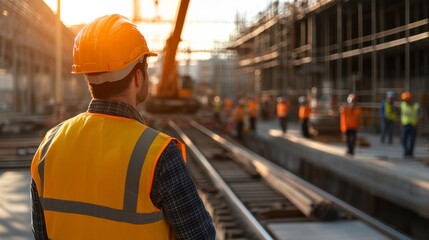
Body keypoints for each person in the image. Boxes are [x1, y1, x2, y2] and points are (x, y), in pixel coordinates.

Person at [30, 14, 215, 240]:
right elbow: (200, 237)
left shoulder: (49, 146)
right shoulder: (159, 155)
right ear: (139, 76)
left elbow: (41, 234)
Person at [400, 91, 423, 158]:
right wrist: (400, 122)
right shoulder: (403, 105)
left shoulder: (416, 106)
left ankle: (410, 152)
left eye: (406, 100)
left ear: (410, 99)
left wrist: (417, 123)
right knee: (403, 140)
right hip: (405, 124)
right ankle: (407, 151)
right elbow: (401, 114)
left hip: (413, 125)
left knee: (412, 140)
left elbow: (421, 115)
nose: (405, 101)